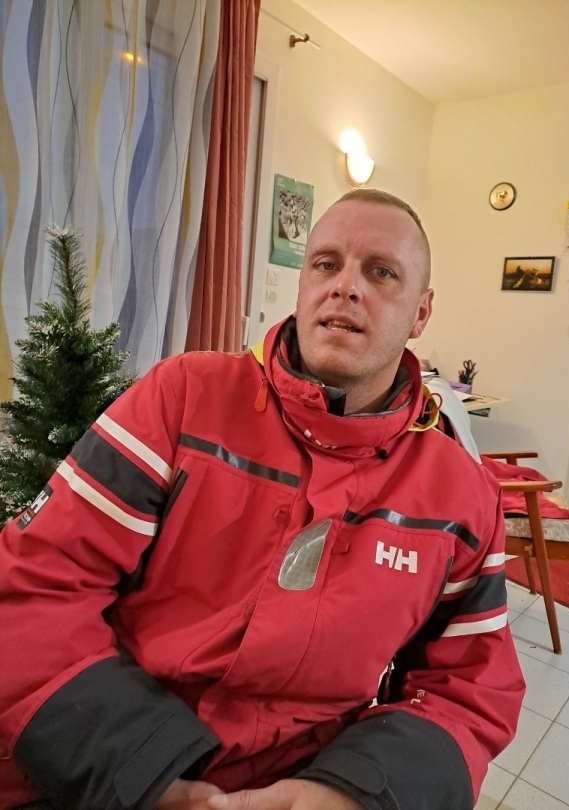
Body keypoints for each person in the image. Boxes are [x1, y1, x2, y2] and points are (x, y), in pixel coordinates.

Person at [0, 189, 524, 810]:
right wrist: (142, 775)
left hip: (316, 776)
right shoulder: (182, 400)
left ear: (421, 313)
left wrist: (352, 794)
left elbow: (468, 687)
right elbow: (33, 586)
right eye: (326, 264)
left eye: (381, 272)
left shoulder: (462, 497)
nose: (345, 287)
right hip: (102, 767)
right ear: (302, 286)